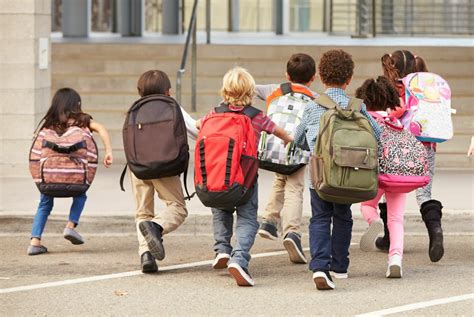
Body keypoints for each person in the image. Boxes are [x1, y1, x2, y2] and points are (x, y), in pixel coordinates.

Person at [196, 67, 293, 286]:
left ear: (225, 90)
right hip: (245, 181)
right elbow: (278, 131)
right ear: (250, 91)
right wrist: (289, 139)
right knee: (248, 218)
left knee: (221, 211)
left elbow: (197, 125)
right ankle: (239, 258)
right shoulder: (256, 116)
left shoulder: (214, 113)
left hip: (218, 178)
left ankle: (221, 249)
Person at [294, 50, 381, 290]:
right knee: (343, 217)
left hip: (320, 177)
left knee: (320, 218)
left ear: (321, 77)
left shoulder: (313, 107)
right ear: (349, 78)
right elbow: (378, 135)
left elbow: (298, 139)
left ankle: (320, 267)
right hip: (349, 175)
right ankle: (340, 267)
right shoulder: (358, 107)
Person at [28, 88, 113, 255]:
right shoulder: (82, 121)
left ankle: (35, 241)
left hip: (50, 177)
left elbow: (36, 152)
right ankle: (70, 226)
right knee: (80, 195)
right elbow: (101, 129)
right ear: (77, 104)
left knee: (44, 203)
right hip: (75, 177)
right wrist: (108, 150)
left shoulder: (47, 123)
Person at [131, 70, 198, 273]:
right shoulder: (172, 106)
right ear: (168, 91)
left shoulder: (135, 109)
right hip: (165, 165)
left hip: (138, 166)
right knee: (178, 208)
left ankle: (146, 256)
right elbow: (196, 131)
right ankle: (156, 228)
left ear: (140, 91)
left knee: (143, 212)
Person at [380, 50, 444, 262]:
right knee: (424, 194)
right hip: (425, 145)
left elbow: (391, 114)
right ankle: (435, 230)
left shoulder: (394, 89)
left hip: (399, 146)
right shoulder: (426, 89)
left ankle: (390, 236)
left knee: (390, 189)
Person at [256, 53, 317, 264]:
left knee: (280, 178)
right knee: (295, 189)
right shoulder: (315, 98)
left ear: (286, 74)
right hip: (296, 149)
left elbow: (249, 87)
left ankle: (269, 221)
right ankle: (292, 233)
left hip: (273, 147)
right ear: (313, 77)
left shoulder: (274, 90)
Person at [356, 76, 407, 278]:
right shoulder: (394, 121)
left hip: (373, 174)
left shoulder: (364, 119)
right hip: (396, 175)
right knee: (396, 219)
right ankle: (395, 259)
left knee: (367, 206)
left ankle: (374, 220)